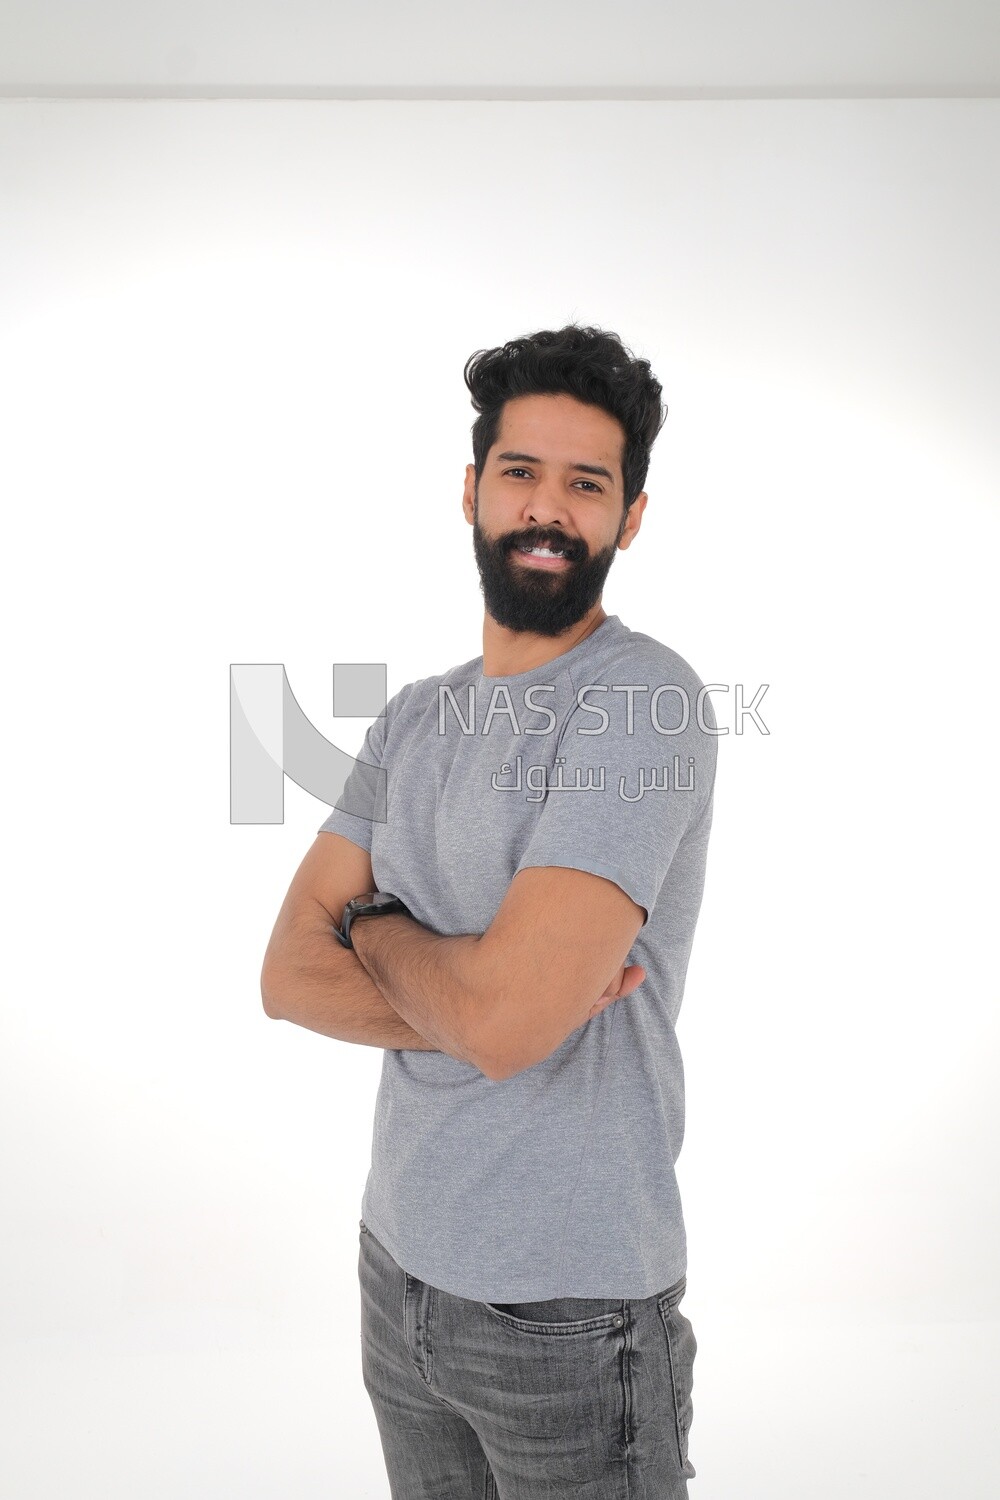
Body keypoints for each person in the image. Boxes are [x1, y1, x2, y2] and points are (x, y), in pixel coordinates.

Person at [261, 324, 719, 1498]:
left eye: (587, 482)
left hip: (569, 1311)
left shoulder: (641, 702)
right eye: (520, 472)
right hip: (396, 1269)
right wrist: (489, 998)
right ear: (471, 490)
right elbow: (282, 975)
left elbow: (506, 1023)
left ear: (630, 516)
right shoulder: (413, 716)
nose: (548, 507)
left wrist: (372, 925)